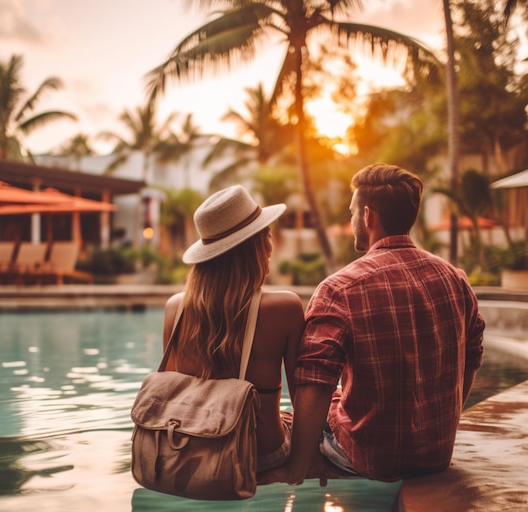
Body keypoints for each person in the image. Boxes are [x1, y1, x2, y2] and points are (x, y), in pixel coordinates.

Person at [282, 163, 486, 484]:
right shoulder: (455, 279)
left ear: (367, 215)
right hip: (437, 453)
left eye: (351, 213)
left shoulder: (340, 288)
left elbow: (315, 383)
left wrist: (296, 469)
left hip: (371, 459)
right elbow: (472, 357)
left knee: (306, 408)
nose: (351, 222)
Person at [163, 185, 305, 473]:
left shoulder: (174, 309)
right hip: (260, 455)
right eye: (268, 235)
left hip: (188, 451)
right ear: (259, 245)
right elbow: (303, 398)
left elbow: (173, 393)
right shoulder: (285, 307)